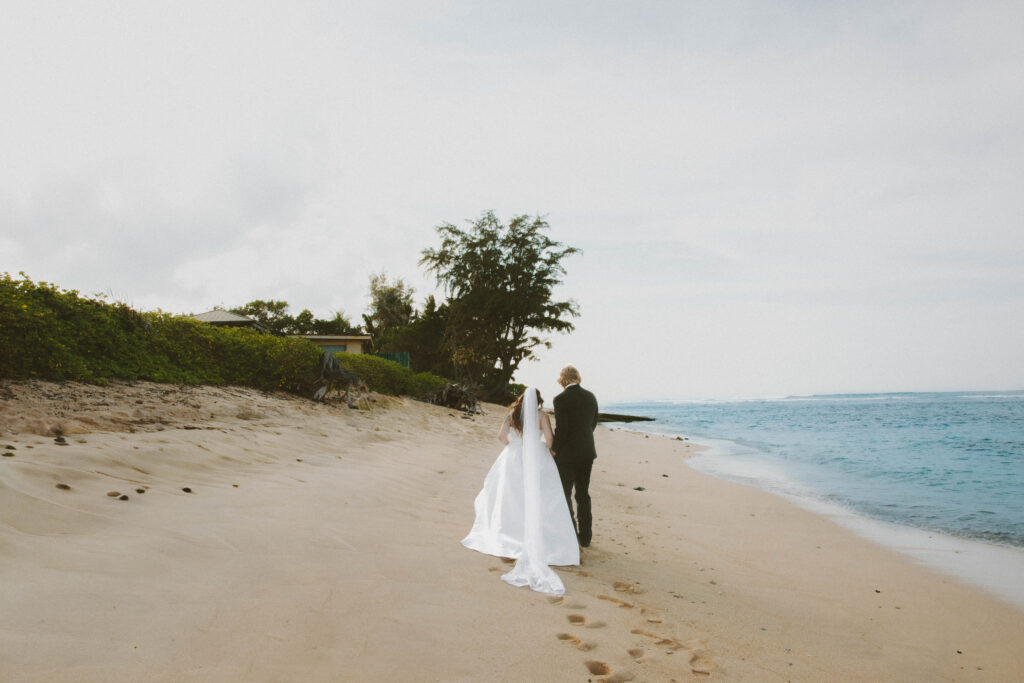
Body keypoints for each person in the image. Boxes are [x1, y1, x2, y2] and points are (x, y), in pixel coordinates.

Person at [461, 387, 580, 595]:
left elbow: (501, 436)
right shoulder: (541, 416)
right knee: (541, 499)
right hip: (536, 459)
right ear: (539, 401)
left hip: (513, 459)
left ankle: (509, 533)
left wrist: (514, 447)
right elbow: (550, 440)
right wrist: (541, 448)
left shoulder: (512, 414)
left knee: (511, 498)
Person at [551, 365, 599, 548]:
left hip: (568, 455)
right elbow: (593, 423)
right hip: (587, 451)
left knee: (565, 493)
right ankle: (585, 537)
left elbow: (562, 429)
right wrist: (583, 439)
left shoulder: (561, 399)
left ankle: (571, 532)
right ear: (577, 377)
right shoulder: (591, 396)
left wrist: (555, 448)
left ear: (562, 380)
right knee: (583, 494)